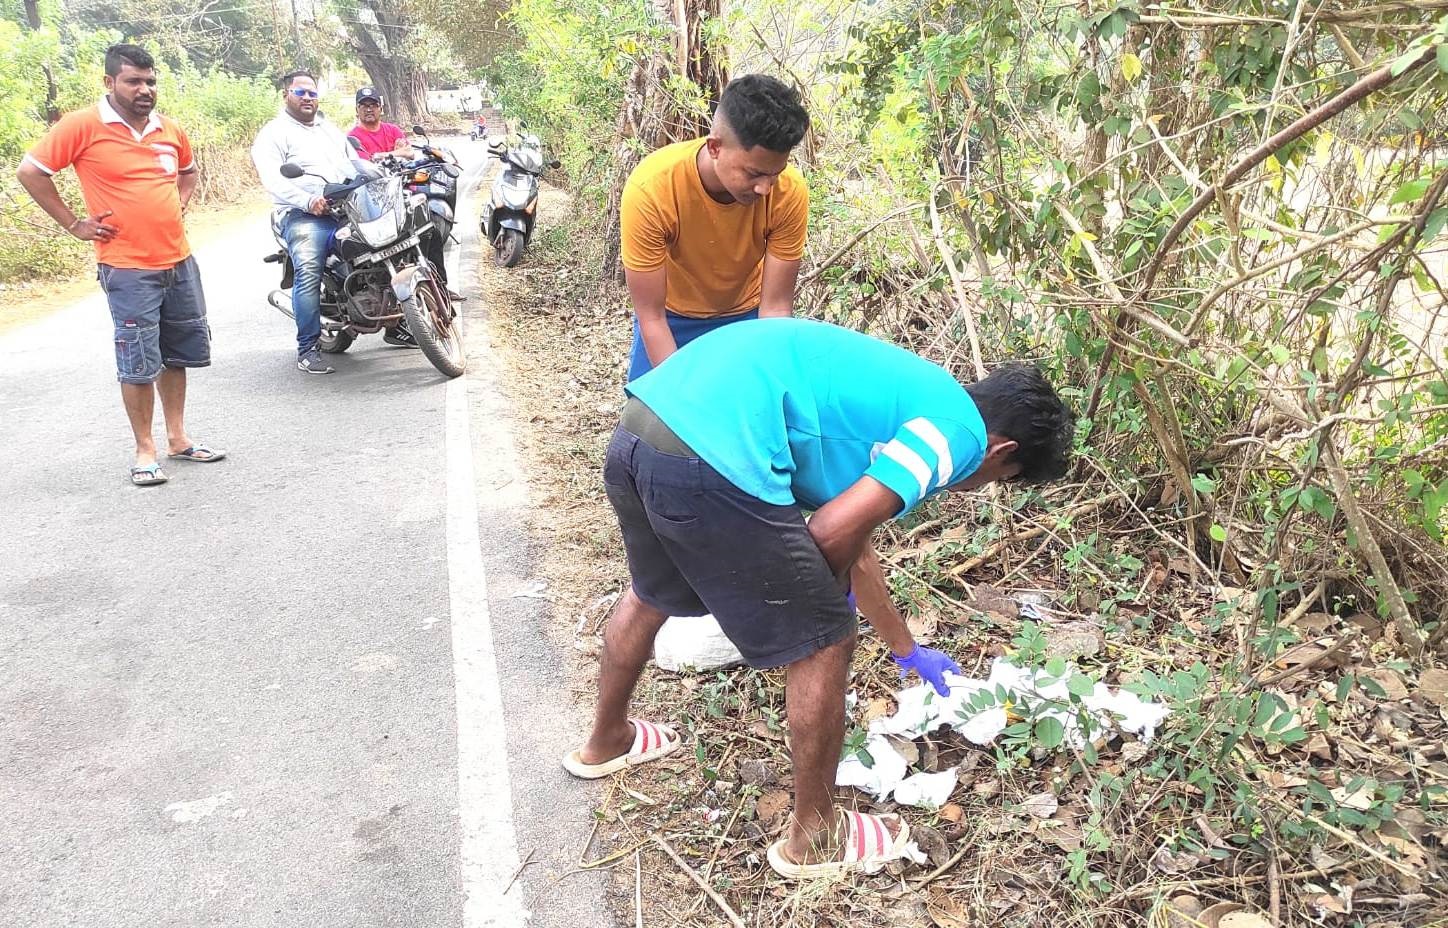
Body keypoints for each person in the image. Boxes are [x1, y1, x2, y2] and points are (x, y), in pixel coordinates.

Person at [561, 318, 1075, 878]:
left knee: (649, 593)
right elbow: (830, 533)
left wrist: (908, 651)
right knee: (825, 640)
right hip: (712, 453)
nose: (981, 485)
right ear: (1002, 451)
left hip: (644, 428)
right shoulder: (961, 433)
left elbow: (854, 546)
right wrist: (816, 609)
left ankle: (608, 740)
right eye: (1000, 478)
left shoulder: (908, 397)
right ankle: (815, 835)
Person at [17, 43, 225, 487]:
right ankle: (144, 450)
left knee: (175, 353)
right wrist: (74, 223)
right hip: (127, 267)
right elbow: (31, 171)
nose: (144, 89)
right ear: (110, 82)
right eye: (134, 81)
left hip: (179, 259)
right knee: (137, 360)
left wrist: (180, 203)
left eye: (150, 81)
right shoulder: (82, 126)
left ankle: (178, 438)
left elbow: (188, 172)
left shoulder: (169, 129)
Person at [620, 74, 810, 381]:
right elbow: (651, 317)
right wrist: (682, 396)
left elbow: (775, 309)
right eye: (753, 173)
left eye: (775, 174)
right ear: (715, 148)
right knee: (654, 420)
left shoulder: (789, 193)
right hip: (669, 320)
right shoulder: (652, 190)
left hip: (745, 321)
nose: (765, 188)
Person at [250, 70, 415, 372]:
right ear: (286, 94)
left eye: (312, 92)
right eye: (301, 92)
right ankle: (308, 348)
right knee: (309, 270)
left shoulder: (329, 129)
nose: (308, 97)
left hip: (344, 207)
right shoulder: (273, 134)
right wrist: (308, 201)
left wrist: (376, 178)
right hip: (302, 215)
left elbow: (355, 161)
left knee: (388, 245)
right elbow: (273, 180)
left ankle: (396, 324)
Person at [346, 87, 410, 159]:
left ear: (381, 109)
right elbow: (367, 164)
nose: (369, 110)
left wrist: (379, 155)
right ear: (357, 110)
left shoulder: (393, 130)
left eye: (373, 105)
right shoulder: (353, 138)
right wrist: (398, 154)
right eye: (363, 106)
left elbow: (410, 153)